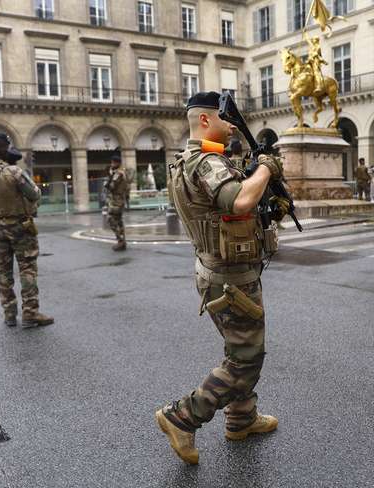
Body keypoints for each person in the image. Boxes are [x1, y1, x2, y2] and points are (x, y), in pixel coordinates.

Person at [156, 91, 284, 465]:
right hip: (231, 278)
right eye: (226, 120)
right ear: (207, 120)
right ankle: (182, 416)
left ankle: (241, 418)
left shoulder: (185, 160)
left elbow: (232, 211)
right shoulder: (208, 161)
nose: (232, 127)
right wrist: (266, 169)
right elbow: (238, 201)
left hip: (216, 271)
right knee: (246, 358)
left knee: (238, 349)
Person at [0, 133, 54, 329]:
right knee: (27, 268)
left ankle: (9, 313)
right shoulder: (14, 172)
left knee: (3, 271)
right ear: (2, 149)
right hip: (20, 227)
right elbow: (34, 194)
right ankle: (30, 313)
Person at [105, 153, 130, 251]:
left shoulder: (118, 174)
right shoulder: (121, 172)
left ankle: (120, 240)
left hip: (117, 201)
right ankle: (122, 241)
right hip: (119, 200)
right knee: (119, 221)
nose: (111, 164)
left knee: (111, 220)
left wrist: (110, 176)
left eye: (112, 162)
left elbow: (111, 186)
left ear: (116, 163)